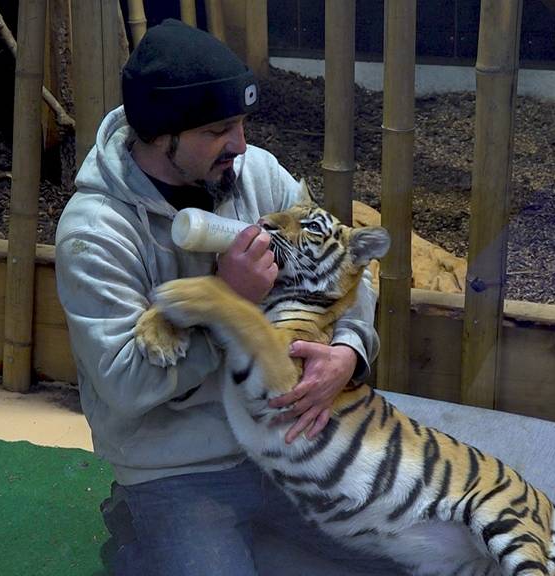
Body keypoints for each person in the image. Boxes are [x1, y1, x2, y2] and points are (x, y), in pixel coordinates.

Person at [55, 19, 398, 575]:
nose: (239, 144)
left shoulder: (254, 174)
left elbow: (347, 265)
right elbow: (124, 385)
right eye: (219, 129)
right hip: (178, 467)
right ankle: (141, 539)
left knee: (415, 558)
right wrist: (226, 303)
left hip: (286, 447)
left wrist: (350, 353)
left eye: (241, 123)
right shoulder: (95, 233)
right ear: (161, 133)